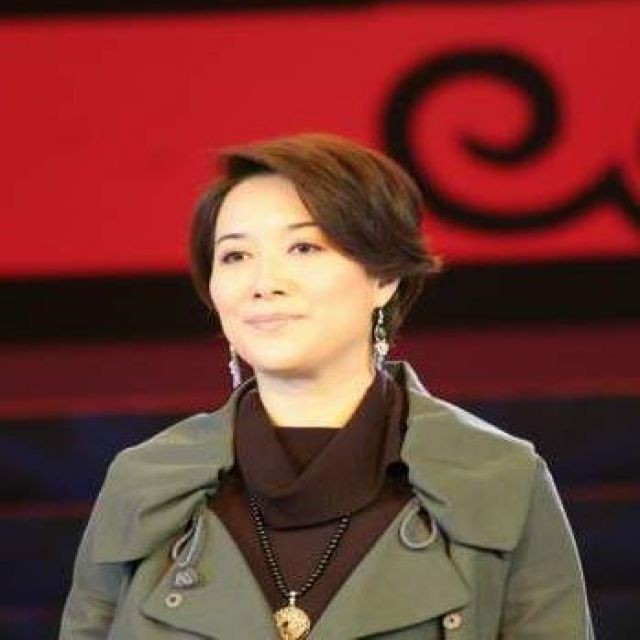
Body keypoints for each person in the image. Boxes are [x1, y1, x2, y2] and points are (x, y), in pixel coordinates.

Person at [59, 133, 593, 639]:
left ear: (384, 276)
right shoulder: (144, 484)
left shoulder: (499, 478)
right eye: (235, 255)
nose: (264, 284)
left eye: (304, 248)